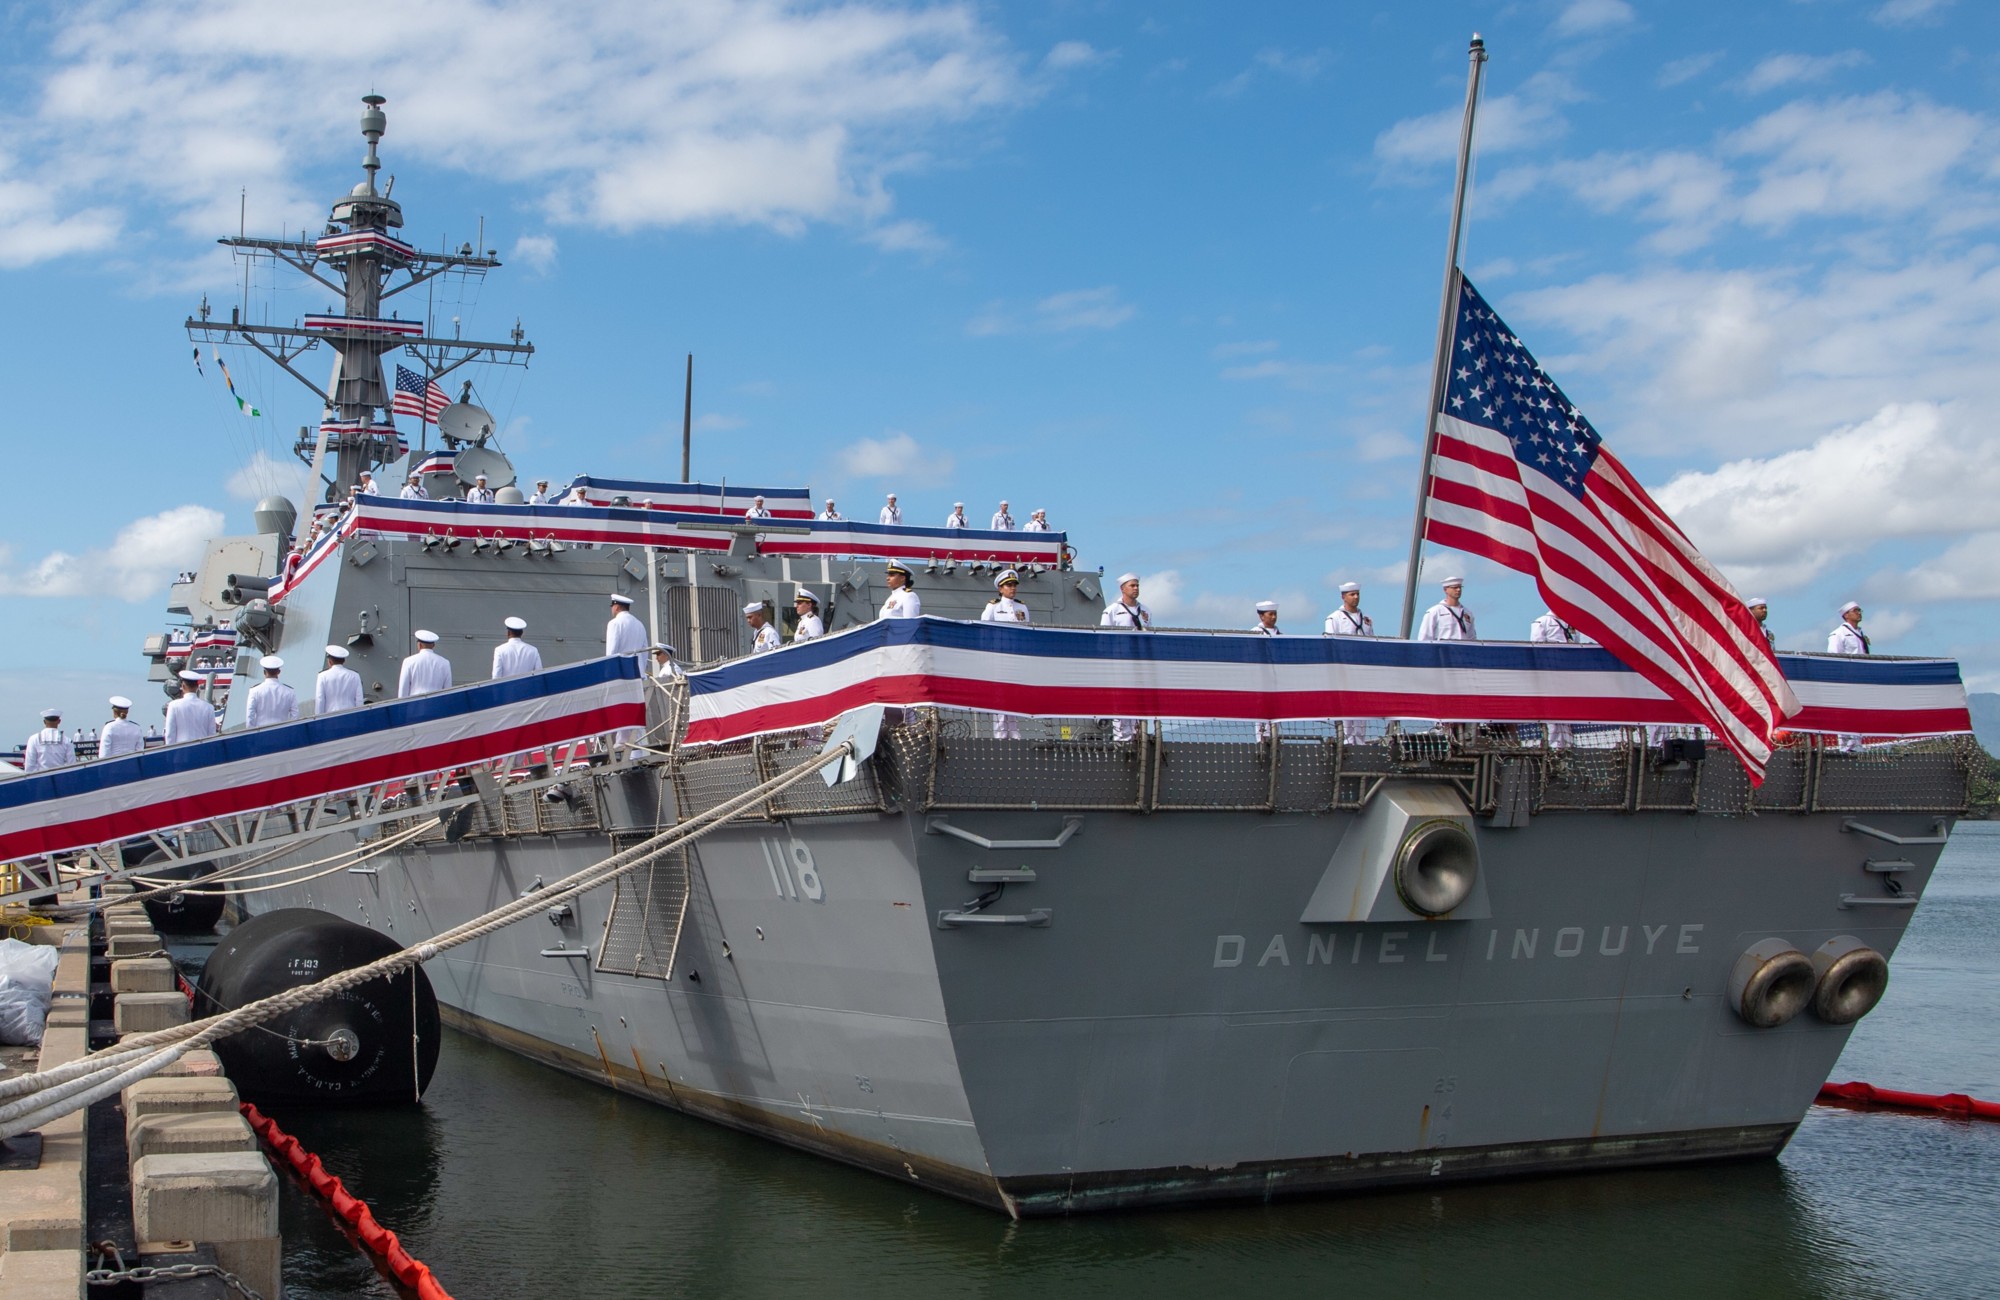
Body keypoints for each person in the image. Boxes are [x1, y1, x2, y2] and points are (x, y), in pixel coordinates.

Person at [1100, 573, 1153, 742]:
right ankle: (1121, 736)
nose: (1136, 588)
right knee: (1122, 697)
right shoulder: (1112, 611)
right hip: (1120, 663)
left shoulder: (1145, 611)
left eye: (1137, 585)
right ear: (1123, 588)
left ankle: (1138, 733)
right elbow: (1103, 638)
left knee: (1139, 698)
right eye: (1132, 585)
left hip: (1139, 663)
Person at [981, 570, 1031, 737]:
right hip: (999, 657)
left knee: (1014, 696)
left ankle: (1014, 734)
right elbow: (984, 631)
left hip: (1016, 658)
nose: (1013, 588)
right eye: (1009, 585)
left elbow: (1026, 632)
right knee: (1000, 697)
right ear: (1000, 589)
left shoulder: (1022, 607)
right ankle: (1000, 736)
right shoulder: (993, 606)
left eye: (1014, 585)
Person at [1323, 582, 1374, 743]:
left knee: (1361, 708)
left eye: (1357, 594)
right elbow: (1330, 644)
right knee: (1346, 707)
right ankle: (1347, 741)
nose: (1356, 597)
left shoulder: (1365, 620)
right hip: (1344, 669)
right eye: (1352, 594)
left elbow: (1371, 642)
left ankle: (1360, 741)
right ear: (1343, 596)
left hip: (1361, 669)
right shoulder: (1335, 618)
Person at [1529, 610, 1588, 748]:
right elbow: (1536, 650)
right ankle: (1555, 747)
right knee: (1553, 715)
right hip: (1550, 674)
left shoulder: (1572, 625)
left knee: (1567, 713)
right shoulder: (1542, 622)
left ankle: (1567, 745)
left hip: (1567, 676)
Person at [1829, 601, 1869, 753]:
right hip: (1846, 678)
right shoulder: (1838, 634)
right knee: (1846, 712)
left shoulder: (1860, 633)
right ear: (1846, 615)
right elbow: (1834, 656)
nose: (1859, 613)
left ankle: (1857, 744)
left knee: (1859, 711)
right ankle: (1846, 748)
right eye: (1855, 610)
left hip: (1861, 678)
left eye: (1859, 610)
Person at [245, 655, 299, 727]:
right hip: (283, 733)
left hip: (261, 734)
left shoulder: (254, 691)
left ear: (264, 672)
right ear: (279, 672)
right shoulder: (289, 691)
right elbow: (295, 716)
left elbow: (250, 717)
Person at [164, 670, 217, 744]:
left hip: (181, 752)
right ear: (197, 687)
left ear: (183, 686)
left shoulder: (173, 705)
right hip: (203, 752)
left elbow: (170, 735)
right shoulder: (209, 707)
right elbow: (212, 735)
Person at [1416, 577, 1476, 641]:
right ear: (1445, 589)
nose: (1458, 590)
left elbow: (1472, 638)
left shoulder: (1467, 613)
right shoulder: (1435, 611)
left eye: (1460, 587)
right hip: (1443, 649)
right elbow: (1424, 637)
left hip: (1463, 649)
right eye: (1455, 587)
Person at [398, 630, 454, 698]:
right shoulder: (445, 662)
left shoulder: (408, 661)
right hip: (437, 703)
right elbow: (448, 689)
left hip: (415, 704)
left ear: (419, 645)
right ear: (433, 645)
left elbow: (403, 688)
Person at [316, 645, 365, 715]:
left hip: (330, 718)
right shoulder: (355, 675)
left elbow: (320, 700)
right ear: (344, 660)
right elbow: (359, 700)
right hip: (351, 716)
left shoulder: (322, 676)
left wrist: (319, 719)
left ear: (330, 661)